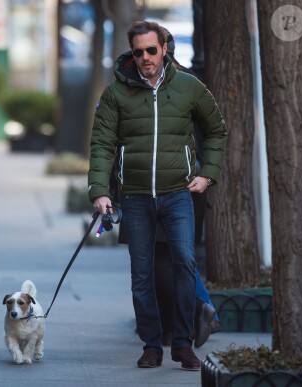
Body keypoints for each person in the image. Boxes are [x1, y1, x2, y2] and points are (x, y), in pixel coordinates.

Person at [88, 21, 227, 370]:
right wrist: (100, 192)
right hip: (135, 198)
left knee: (184, 263)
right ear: (131, 54)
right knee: (142, 274)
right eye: (138, 52)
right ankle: (152, 345)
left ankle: (182, 344)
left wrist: (207, 174)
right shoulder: (116, 93)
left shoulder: (189, 87)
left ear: (164, 48)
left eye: (151, 50)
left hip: (178, 195)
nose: (146, 57)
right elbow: (102, 145)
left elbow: (217, 131)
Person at [153, 27, 218, 349]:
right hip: (192, 186)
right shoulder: (194, 84)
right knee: (181, 256)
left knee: (165, 259)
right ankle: (194, 316)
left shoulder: (174, 88)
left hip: (171, 186)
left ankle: (188, 319)